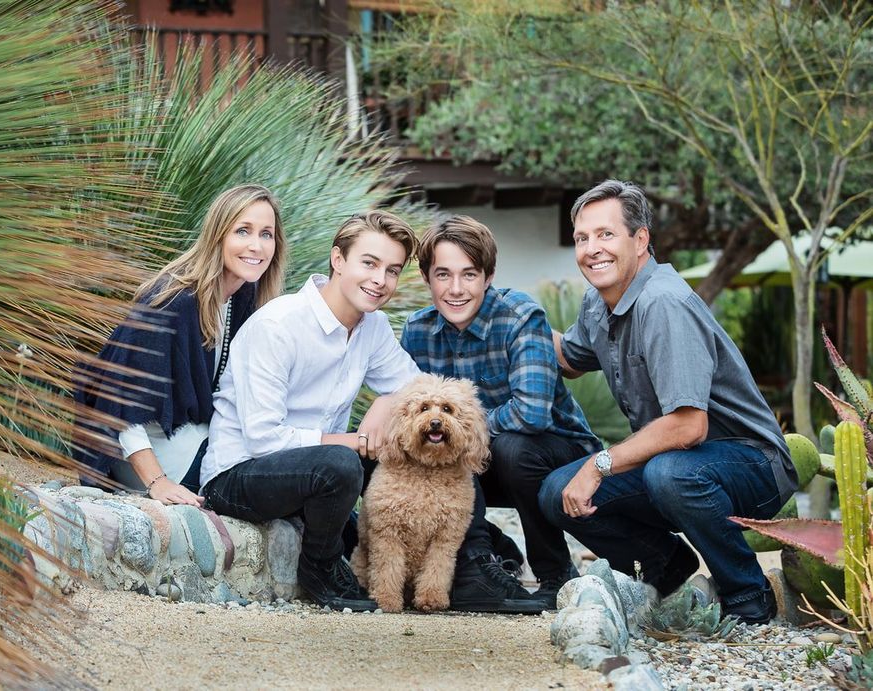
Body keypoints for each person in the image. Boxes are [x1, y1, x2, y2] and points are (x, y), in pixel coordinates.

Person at [539, 179, 797, 624]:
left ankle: (748, 595)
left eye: (605, 234)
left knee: (667, 474)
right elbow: (570, 358)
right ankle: (667, 567)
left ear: (640, 241)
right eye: (582, 238)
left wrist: (597, 464)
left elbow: (688, 426)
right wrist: (508, 316)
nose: (591, 249)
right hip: (679, 464)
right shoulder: (598, 304)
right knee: (555, 492)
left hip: (753, 466)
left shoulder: (664, 302)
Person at [200, 211, 421, 611]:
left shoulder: (374, 327)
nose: (379, 280)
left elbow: (415, 390)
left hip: (313, 478)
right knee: (340, 463)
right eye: (369, 263)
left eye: (392, 270)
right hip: (237, 475)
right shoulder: (279, 325)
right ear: (338, 260)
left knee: (416, 447)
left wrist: (386, 404)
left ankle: (470, 558)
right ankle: (319, 567)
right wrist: (355, 441)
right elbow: (264, 438)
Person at [400, 216, 601, 613]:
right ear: (427, 278)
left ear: (488, 276)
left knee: (512, 447)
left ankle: (556, 573)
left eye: (469, 275)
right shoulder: (417, 331)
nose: (455, 289)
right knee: (395, 458)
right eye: (443, 275)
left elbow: (531, 414)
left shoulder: (520, 317)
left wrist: (460, 430)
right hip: (471, 461)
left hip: (554, 458)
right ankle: (483, 558)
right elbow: (409, 420)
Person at [73, 184, 285, 507]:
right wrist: (157, 482)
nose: (256, 246)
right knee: (278, 482)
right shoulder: (173, 300)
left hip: (202, 441)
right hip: (144, 454)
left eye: (266, 234)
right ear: (218, 235)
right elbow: (118, 401)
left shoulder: (245, 299)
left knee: (287, 474)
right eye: (243, 231)